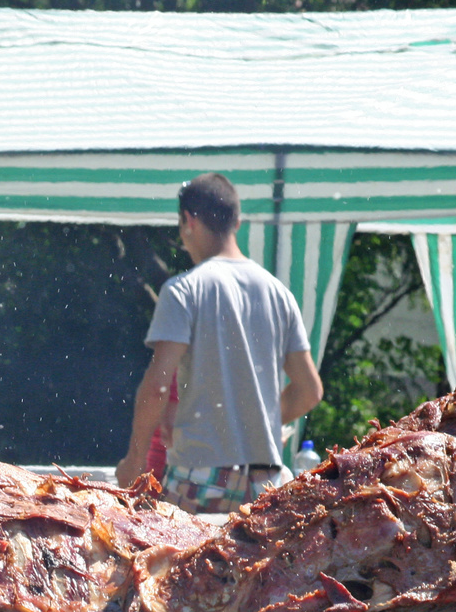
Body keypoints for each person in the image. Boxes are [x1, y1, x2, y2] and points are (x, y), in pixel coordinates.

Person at [116, 173, 323, 513]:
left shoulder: (184, 290)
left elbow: (156, 388)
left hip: (199, 477)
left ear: (188, 221)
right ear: (237, 222)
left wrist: (134, 459)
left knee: (187, 566)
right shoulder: (278, 293)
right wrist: (252, 425)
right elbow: (309, 390)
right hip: (266, 481)